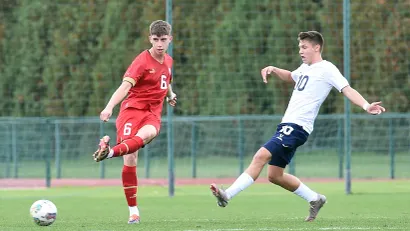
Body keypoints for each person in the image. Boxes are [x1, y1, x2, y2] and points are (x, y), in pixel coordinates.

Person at [210, 31, 385, 222]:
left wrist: (366, 105)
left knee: (260, 156)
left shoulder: (327, 69)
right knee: (275, 175)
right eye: (299, 47)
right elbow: (291, 77)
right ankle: (315, 198)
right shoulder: (304, 68)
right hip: (286, 126)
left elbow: (346, 89)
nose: (300, 51)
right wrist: (274, 69)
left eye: (304, 47)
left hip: (297, 127)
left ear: (316, 47)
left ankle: (227, 195)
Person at [92, 20, 177, 224]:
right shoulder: (141, 62)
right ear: (150, 39)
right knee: (131, 158)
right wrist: (109, 106)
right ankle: (133, 212)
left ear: (169, 40)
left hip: (152, 113)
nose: (159, 44)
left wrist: (171, 95)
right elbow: (124, 87)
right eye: (155, 39)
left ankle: (108, 152)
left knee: (149, 133)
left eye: (163, 40)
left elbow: (166, 81)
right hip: (131, 111)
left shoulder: (169, 61)